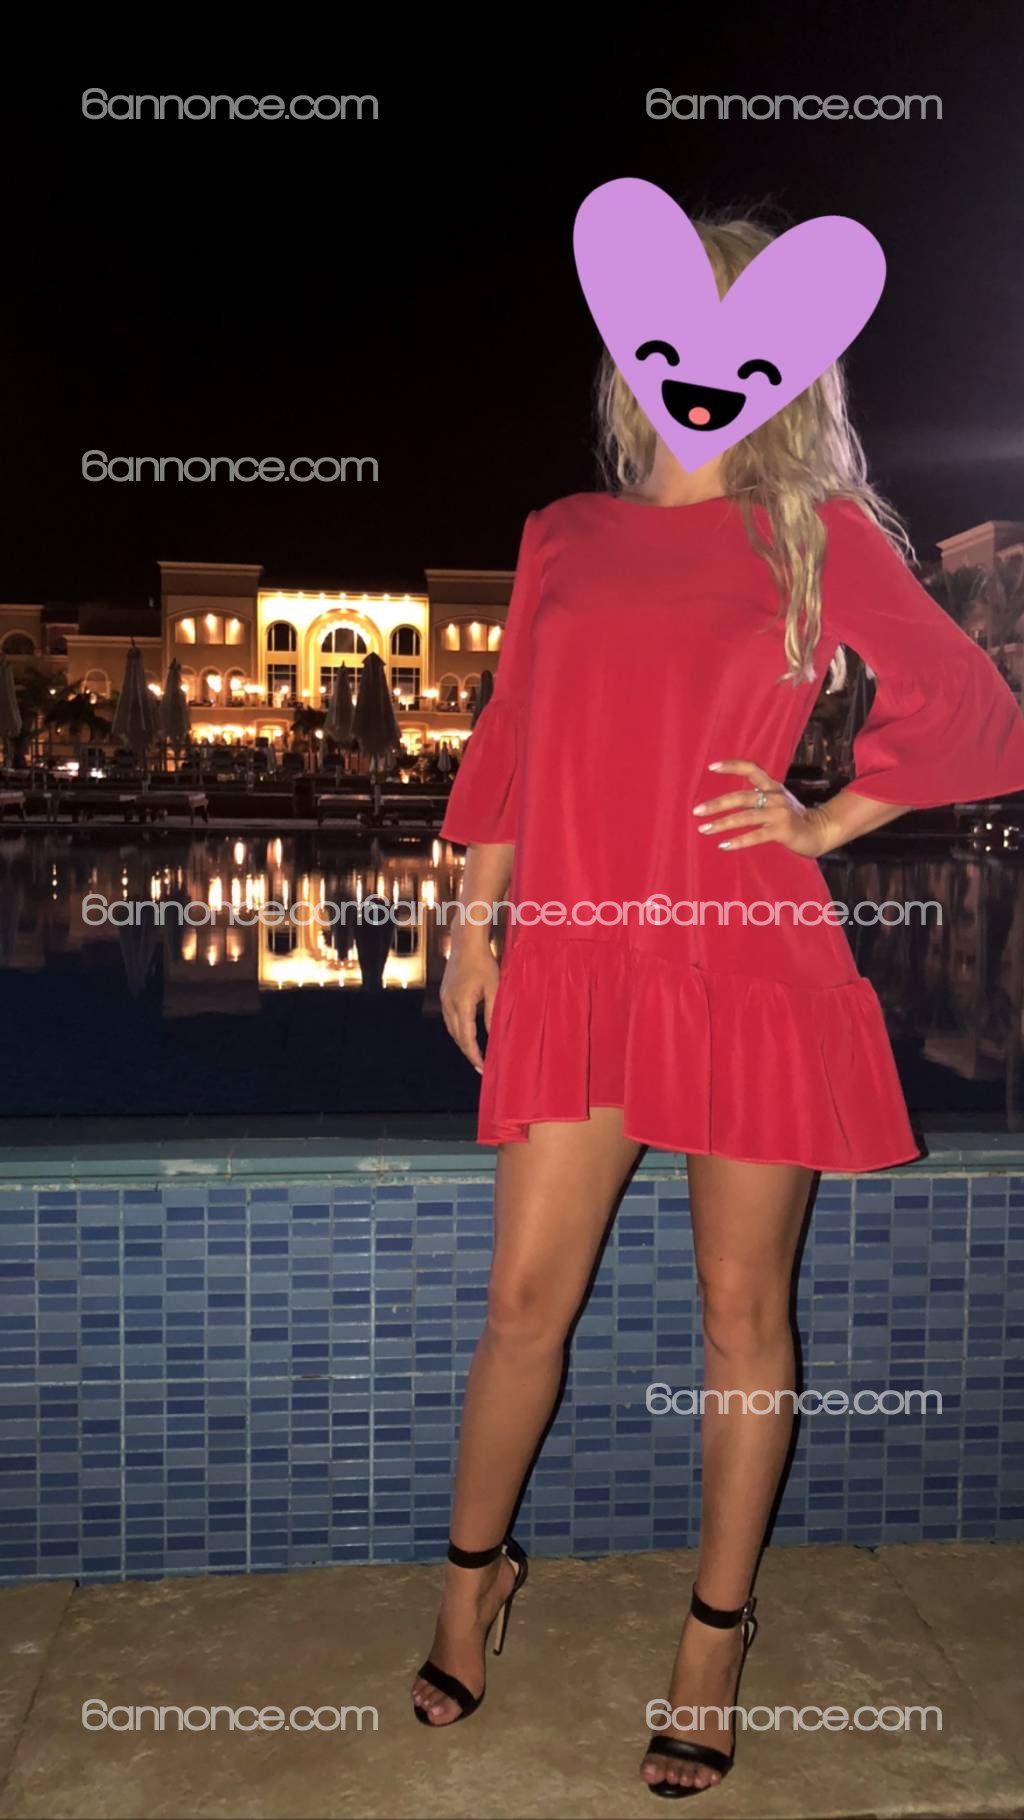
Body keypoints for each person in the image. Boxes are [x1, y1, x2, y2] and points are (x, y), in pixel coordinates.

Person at [412, 215, 1024, 1797]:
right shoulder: (562, 533)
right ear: (631, 352)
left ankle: (711, 1639)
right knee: (522, 1306)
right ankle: (472, 1584)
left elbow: (978, 714)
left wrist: (827, 820)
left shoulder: (815, 533)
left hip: (752, 965)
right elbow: (508, 742)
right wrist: (471, 934)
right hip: (579, 959)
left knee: (745, 1315)